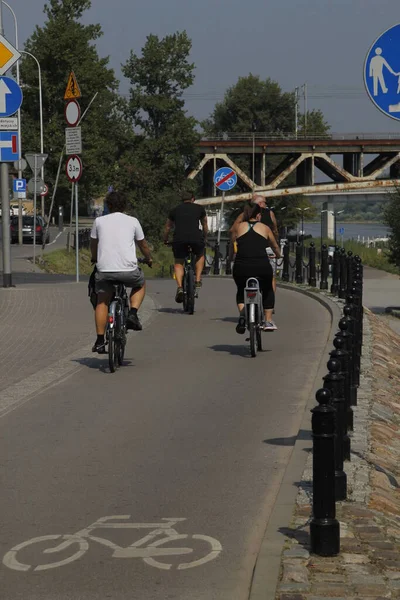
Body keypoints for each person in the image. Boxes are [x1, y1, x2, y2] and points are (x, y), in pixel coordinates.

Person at [90, 191, 153, 353]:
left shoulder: (99, 221)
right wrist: (149, 258)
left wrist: (94, 258)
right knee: (140, 283)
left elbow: (93, 244)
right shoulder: (133, 221)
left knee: (102, 301)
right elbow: (143, 245)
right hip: (128, 270)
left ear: (108, 206)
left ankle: (99, 341)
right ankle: (132, 314)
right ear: (124, 206)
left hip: (104, 270)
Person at [231, 202, 281, 333]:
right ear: (258, 215)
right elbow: (274, 246)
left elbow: (232, 246)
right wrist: (278, 255)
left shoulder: (238, 227)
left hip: (241, 266)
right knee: (268, 289)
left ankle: (242, 316)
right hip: (261, 266)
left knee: (241, 288)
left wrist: (231, 257)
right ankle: (268, 320)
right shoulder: (265, 228)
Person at [164, 191, 208, 303]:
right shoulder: (199, 209)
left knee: (179, 263)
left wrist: (165, 239)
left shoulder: (174, 210)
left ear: (182, 200)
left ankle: (179, 287)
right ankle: (197, 279)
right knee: (200, 255)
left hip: (179, 239)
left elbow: (168, 227)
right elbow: (204, 224)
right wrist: (205, 237)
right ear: (193, 199)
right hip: (196, 238)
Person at [230, 195, 279, 293]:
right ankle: (270, 299)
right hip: (267, 249)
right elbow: (275, 229)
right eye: (265, 202)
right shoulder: (270, 213)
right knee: (271, 276)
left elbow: (232, 230)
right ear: (260, 203)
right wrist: (274, 241)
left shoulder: (244, 215)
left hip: (248, 249)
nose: (266, 204)